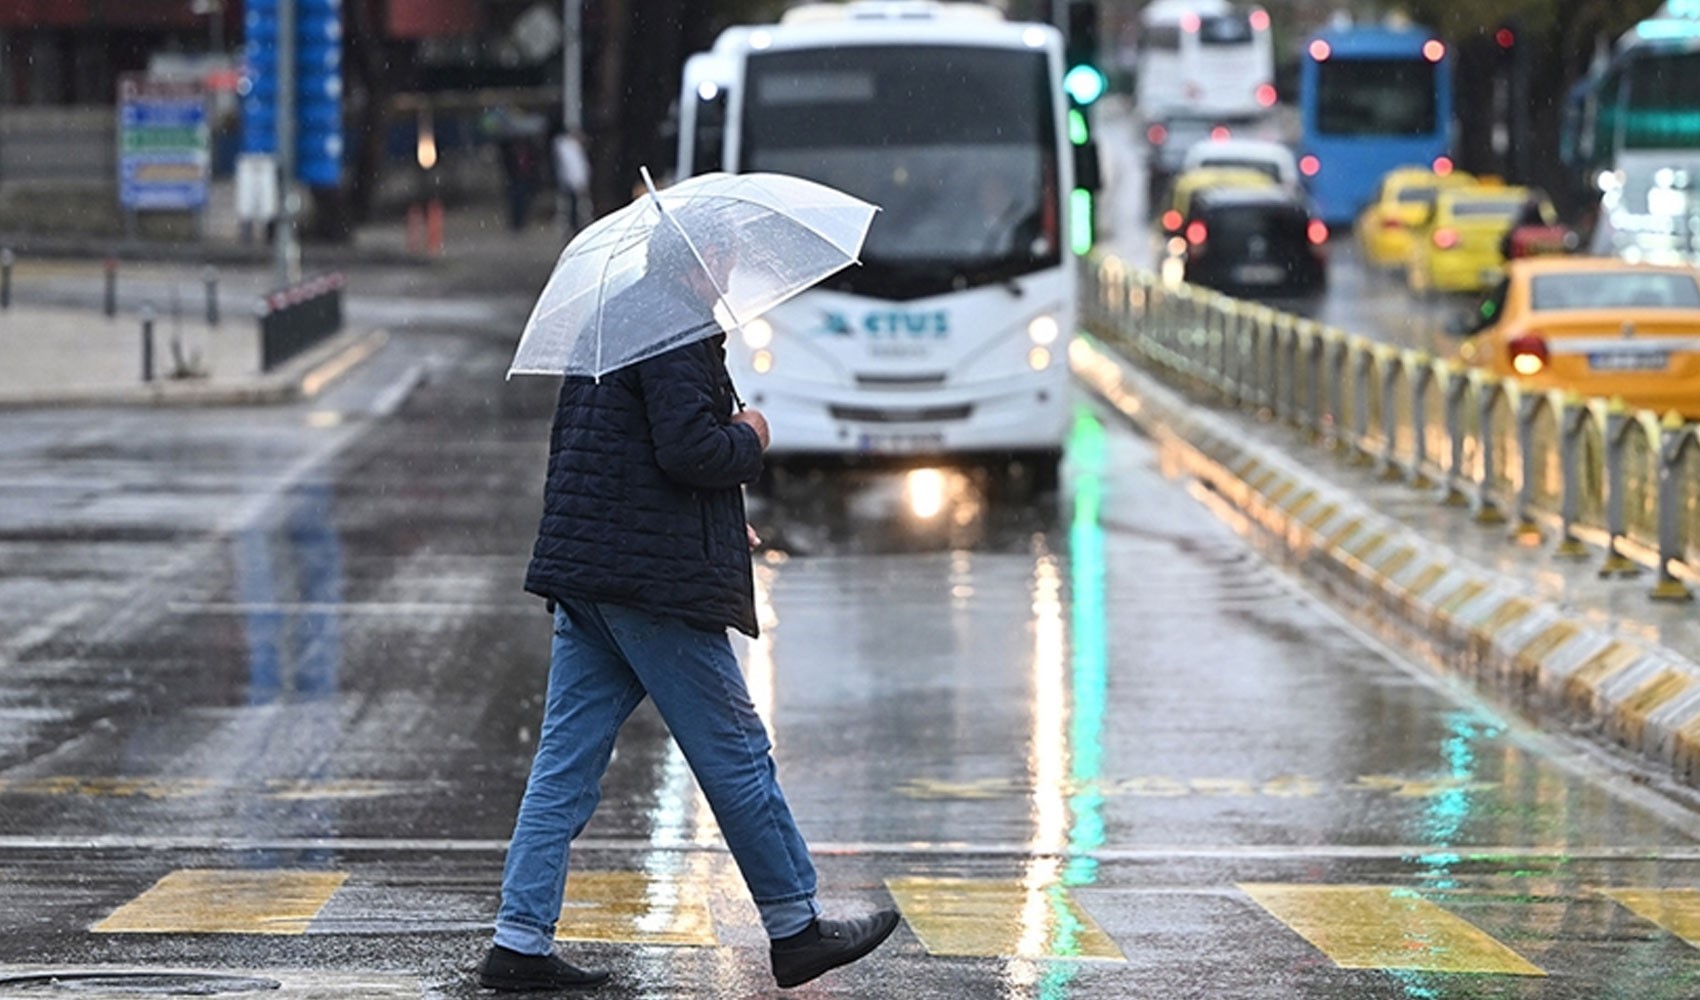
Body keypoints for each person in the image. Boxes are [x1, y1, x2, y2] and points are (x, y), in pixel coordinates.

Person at [478, 227, 901, 992]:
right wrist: (750, 436)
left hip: (592, 575)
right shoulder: (678, 326)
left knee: (563, 769)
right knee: (735, 754)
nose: (733, 270)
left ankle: (519, 938)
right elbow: (687, 450)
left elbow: (613, 457)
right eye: (727, 256)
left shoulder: (611, 316)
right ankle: (796, 926)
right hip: (652, 589)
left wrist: (708, 518)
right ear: (702, 261)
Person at [553, 128, 591, 240]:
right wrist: (578, 183)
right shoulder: (568, 148)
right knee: (572, 207)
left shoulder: (572, 148)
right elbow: (573, 168)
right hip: (572, 183)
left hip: (572, 182)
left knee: (574, 207)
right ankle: (572, 227)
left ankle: (573, 227)